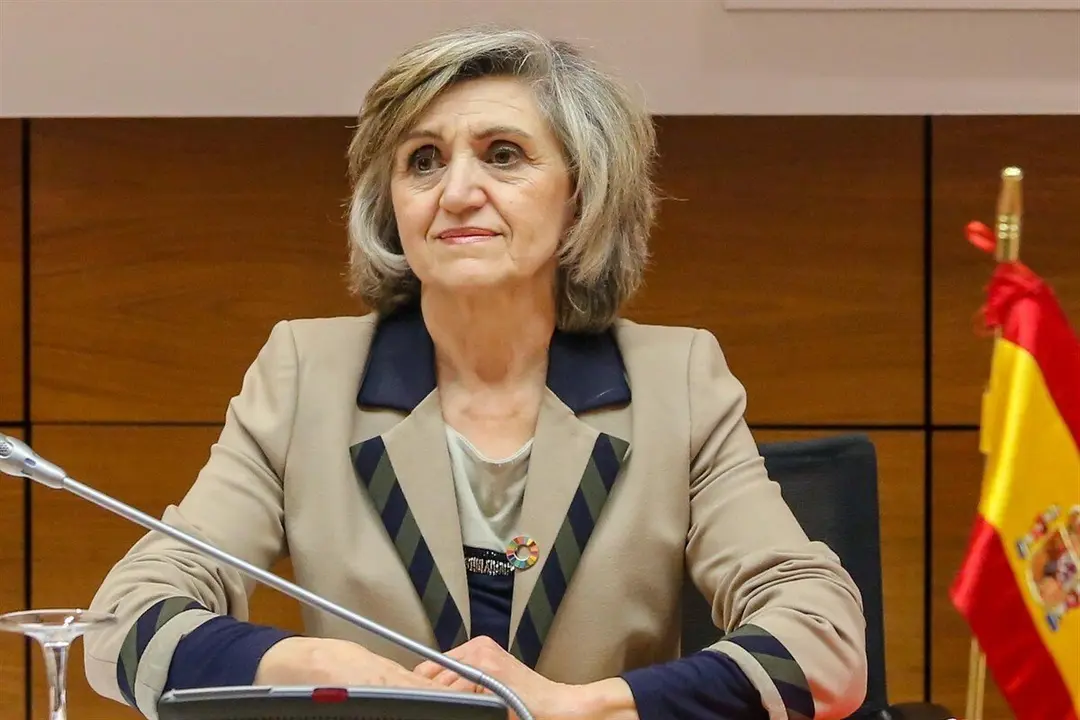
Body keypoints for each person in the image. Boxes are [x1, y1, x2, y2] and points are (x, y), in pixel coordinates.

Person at [83, 25, 868, 720]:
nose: (457, 193)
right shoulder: (306, 376)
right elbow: (123, 621)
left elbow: (823, 636)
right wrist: (308, 664)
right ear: (392, 204)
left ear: (581, 195)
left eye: (503, 155)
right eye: (422, 161)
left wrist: (582, 707)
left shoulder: (675, 381)